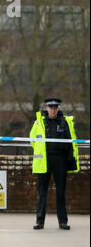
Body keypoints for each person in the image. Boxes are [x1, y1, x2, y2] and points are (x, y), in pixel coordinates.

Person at [29, 98, 80, 230]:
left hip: (60, 160)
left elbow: (72, 139)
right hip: (44, 160)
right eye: (50, 107)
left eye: (55, 107)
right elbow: (32, 139)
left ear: (58, 108)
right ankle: (39, 222)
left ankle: (63, 222)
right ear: (46, 108)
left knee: (61, 192)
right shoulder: (39, 121)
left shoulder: (65, 121)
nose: (52, 109)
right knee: (42, 192)